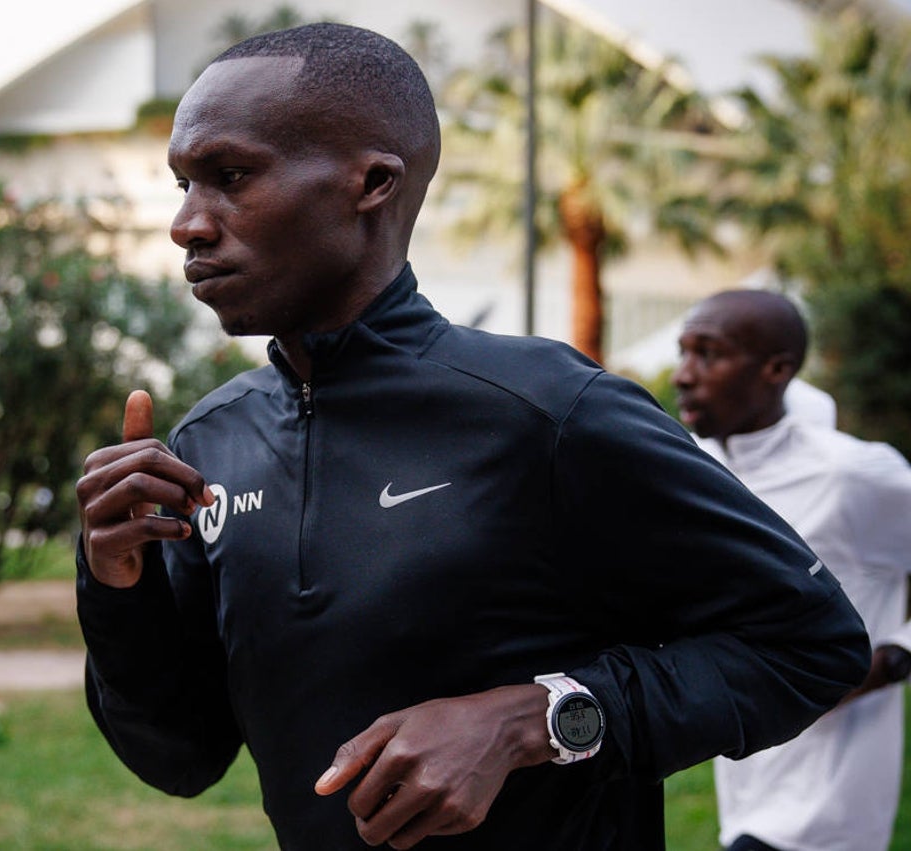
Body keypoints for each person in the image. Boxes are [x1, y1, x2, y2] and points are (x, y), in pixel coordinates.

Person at [76, 23, 869, 850]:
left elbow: (812, 644)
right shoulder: (211, 439)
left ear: (372, 183)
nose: (188, 225)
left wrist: (536, 717)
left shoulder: (553, 412)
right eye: (183, 185)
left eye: (230, 176)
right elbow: (180, 757)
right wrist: (114, 584)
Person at [673, 289, 911, 851]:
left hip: (830, 793)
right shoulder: (705, 474)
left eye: (708, 354)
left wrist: (893, 657)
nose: (684, 375)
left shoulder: (853, 476)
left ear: (776, 369)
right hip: (748, 771)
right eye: (684, 352)